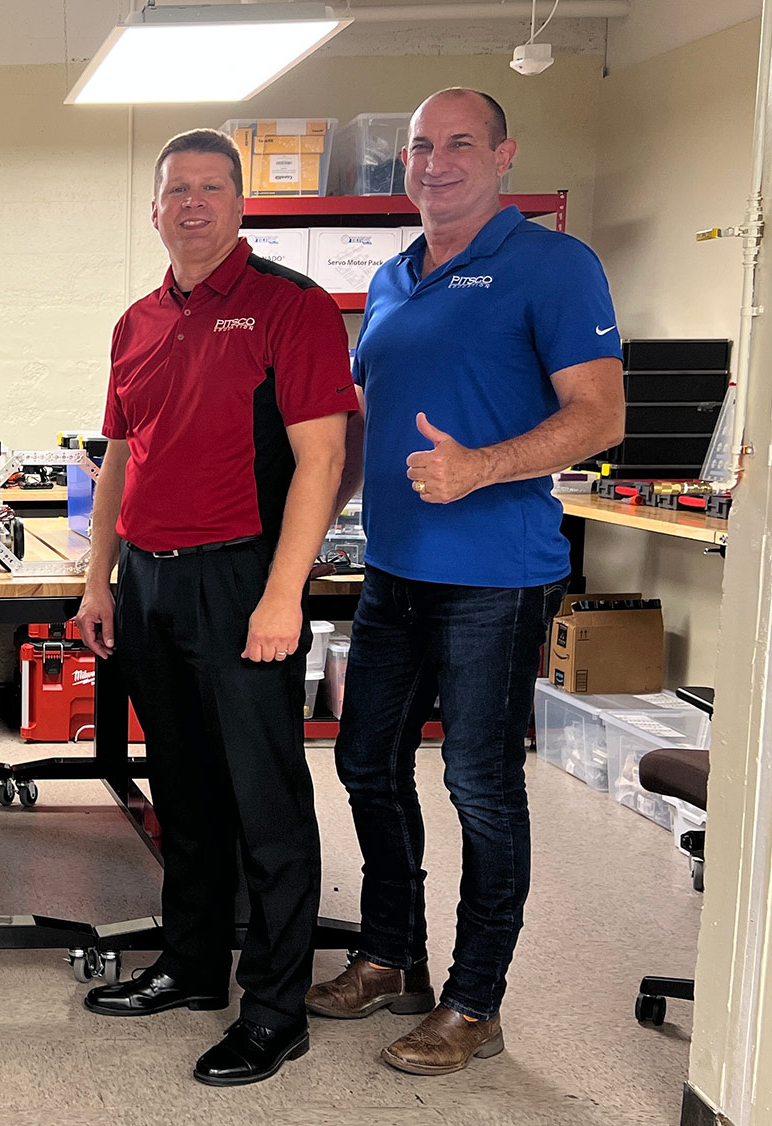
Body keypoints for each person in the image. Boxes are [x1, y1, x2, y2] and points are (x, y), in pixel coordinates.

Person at [305, 89, 625, 1075]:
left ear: (499, 156)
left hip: (492, 577)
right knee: (363, 764)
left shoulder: (553, 265)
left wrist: (479, 465)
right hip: (390, 572)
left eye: (456, 144)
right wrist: (301, 537)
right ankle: (388, 955)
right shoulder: (395, 276)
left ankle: (473, 1001)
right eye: (417, 147)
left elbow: (600, 415)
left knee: (478, 784)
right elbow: (362, 427)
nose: (433, 162)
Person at [74, 128, 356, 1087]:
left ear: (240, 203)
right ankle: (194, 967)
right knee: (184, 792)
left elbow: (322, 458)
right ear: (154, 211)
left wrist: (285, 594)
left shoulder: (292, 308)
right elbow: (119, 457)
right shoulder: (137, 321)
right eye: (174, 191)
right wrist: (98, 577)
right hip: (150, 583)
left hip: (244, 583)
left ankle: (276, 1008)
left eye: (210, 188)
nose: (191, 204)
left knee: (265, 804)